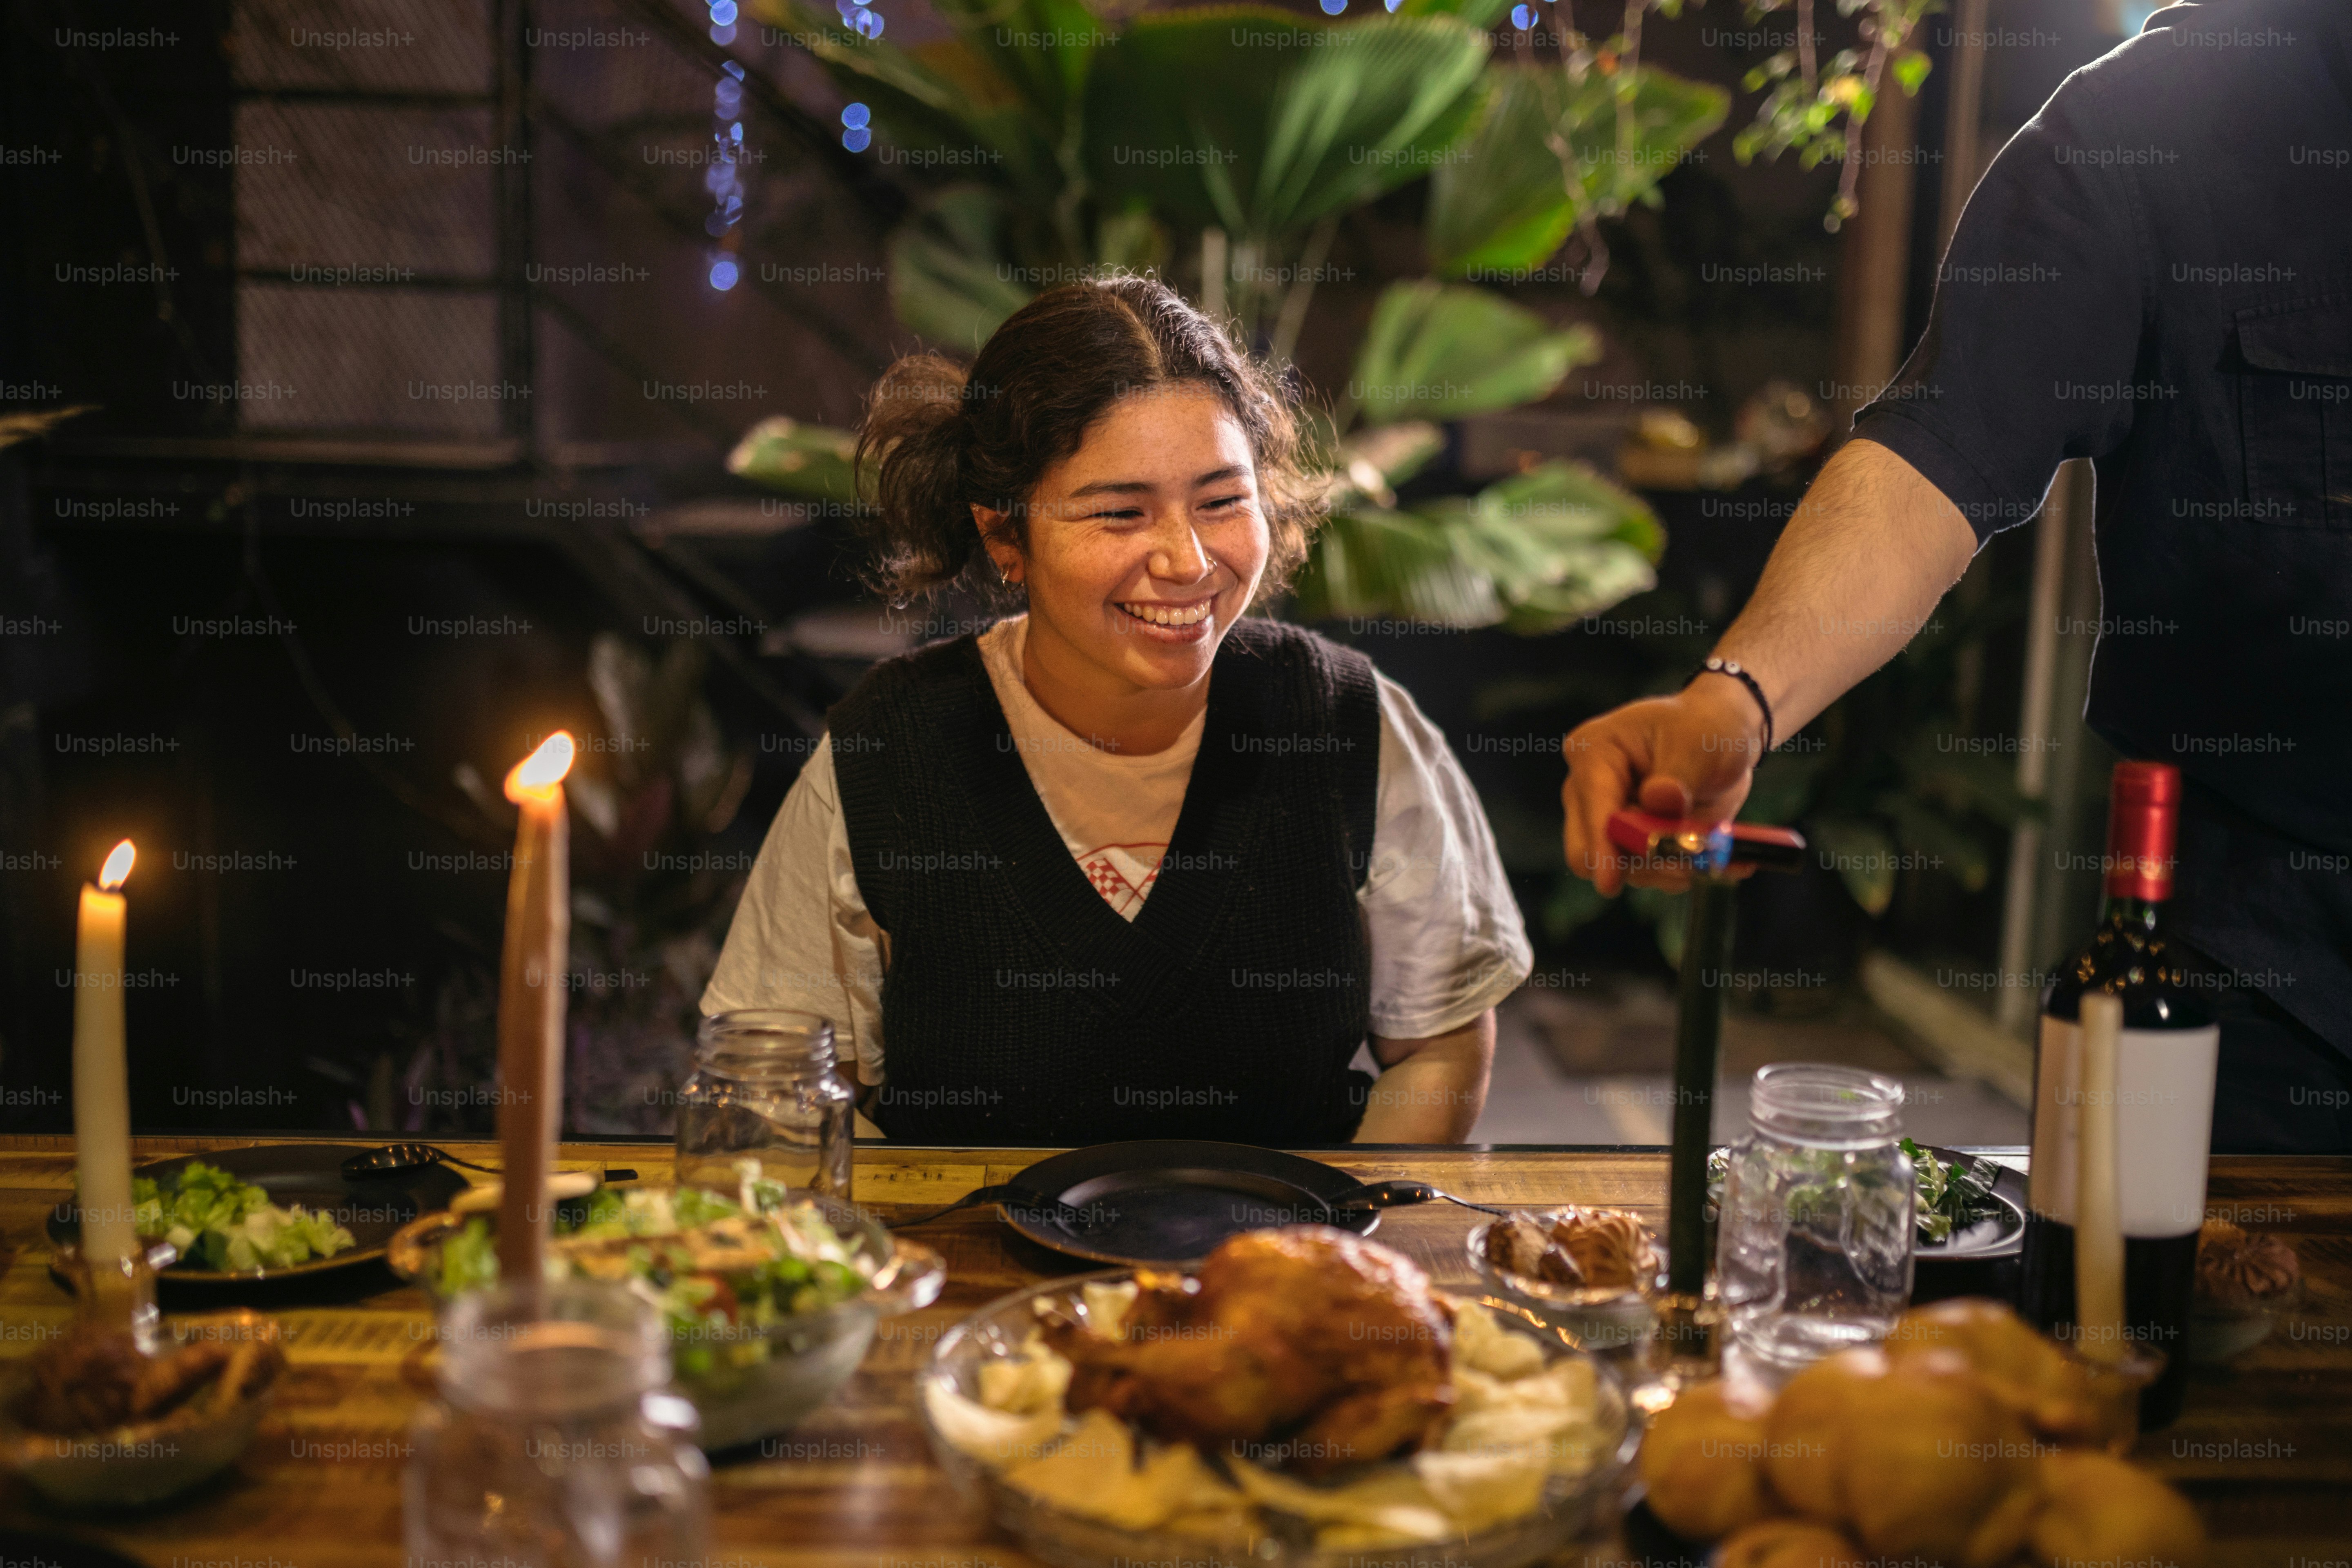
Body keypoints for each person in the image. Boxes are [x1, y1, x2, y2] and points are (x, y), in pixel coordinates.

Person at [1560, 0, 2352, 1153]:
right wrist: (1739, 695)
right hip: (2256, 1008)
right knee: (2153, 1327)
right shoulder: (2151, 130)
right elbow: (1940, 456)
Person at [704, 277, 1530, 1145]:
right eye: (1119, 513)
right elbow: (778, 1076)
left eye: (1221, 501)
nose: (1187, 560)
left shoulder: (1344, 721)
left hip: (1275, 1256)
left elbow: (1438, 1045)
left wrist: (1323, 1248)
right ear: (1003, 536)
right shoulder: (891, 745)